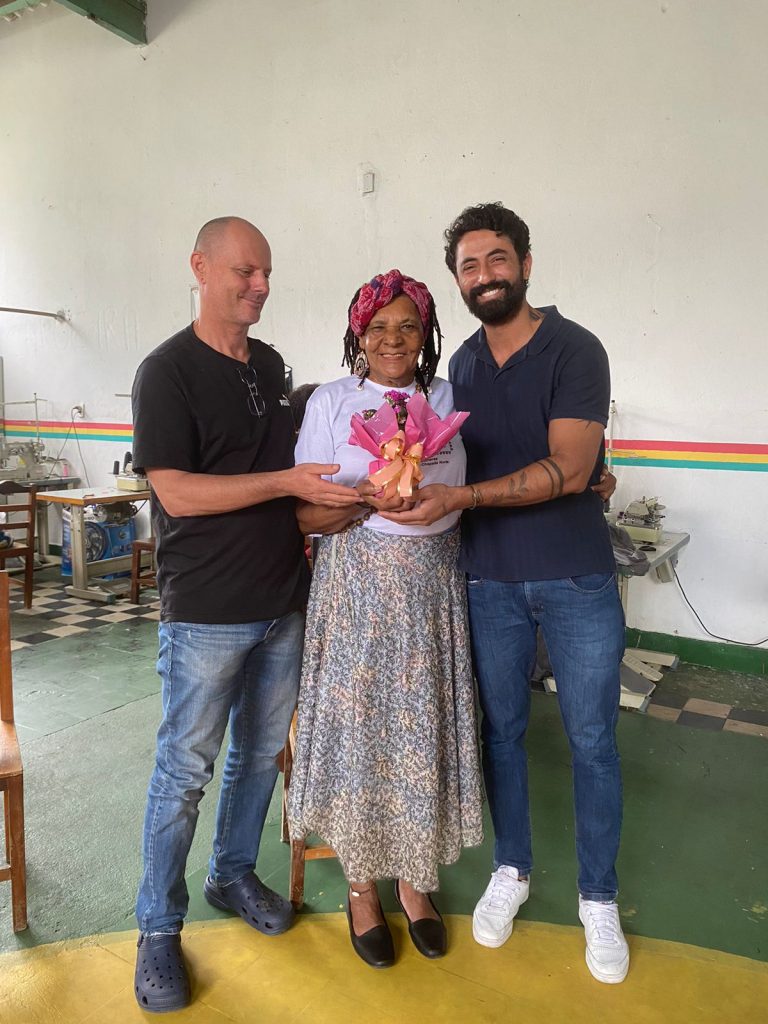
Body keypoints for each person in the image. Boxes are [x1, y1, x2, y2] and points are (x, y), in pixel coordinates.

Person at [382, 204, 629, 984]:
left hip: (576, 576)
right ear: (458, 281)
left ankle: (598, 896)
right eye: (469, 266)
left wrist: (466, 498)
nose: (484, 275)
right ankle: (512, 868)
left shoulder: (575, 348)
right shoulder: (458, 367)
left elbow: (570, 466)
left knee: (592, 741)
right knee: (502, 734)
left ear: (524, 263)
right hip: (488, 579)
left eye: (496, 259)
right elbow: (438, 459)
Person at [130, 216, 361, 1013]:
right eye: (245, 272)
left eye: (266, 273)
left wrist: (357, 491)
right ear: (200, 267)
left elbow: (300, 473)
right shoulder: (166, 372)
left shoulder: (268, 365)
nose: (260, 286)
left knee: (259, 757)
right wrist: (287, 483)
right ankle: (158, 928)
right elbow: (178, 494)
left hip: (281, 604)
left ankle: (231, 874)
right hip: (206, 611)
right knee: (184, 771)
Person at [287, 270, 484, 969]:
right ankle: (362, 888)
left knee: (420, 732)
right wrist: (365, 502)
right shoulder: (332, 401)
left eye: (407, 326)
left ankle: (415, 881)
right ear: (358, 335)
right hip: (356, 589)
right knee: (361, 734)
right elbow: (302, 513)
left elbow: (470, 490)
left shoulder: (448, 398)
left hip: (432, 590)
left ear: (426, 334)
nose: (392, 339)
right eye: (377, 328)